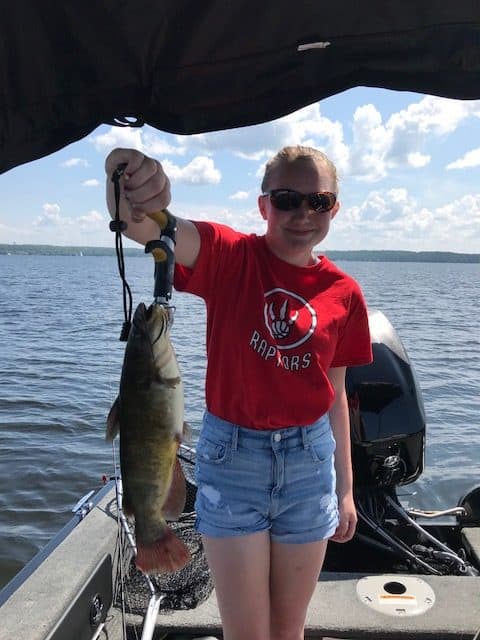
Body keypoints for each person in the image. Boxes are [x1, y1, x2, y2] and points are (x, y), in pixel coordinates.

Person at [105, 145, 372, 640]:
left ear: (334, 208)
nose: (302, 214)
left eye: (319, 201)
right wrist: (125, 171)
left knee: (288, 631)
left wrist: (346, 486)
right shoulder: (231, 257)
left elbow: (334, 396)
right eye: (288, 198)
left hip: (310, 464)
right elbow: (146, 226)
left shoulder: (346, 293)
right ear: (263, 205)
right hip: (234, 463)